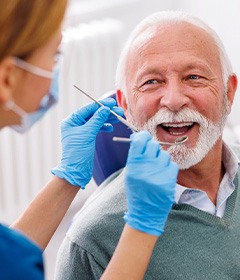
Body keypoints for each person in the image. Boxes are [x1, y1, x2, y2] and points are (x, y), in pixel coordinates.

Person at [55, 10, 240, 280]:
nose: (174, 101)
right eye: (151, 82)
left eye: (193, 77)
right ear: (125, 105)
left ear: (228, 92)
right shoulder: (92, 243)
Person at [0, 1, 179, 279]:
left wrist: (67, 178)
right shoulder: (88, 240)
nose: (173, 99)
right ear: (7, 79)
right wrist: (143, 225)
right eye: (54, 55)